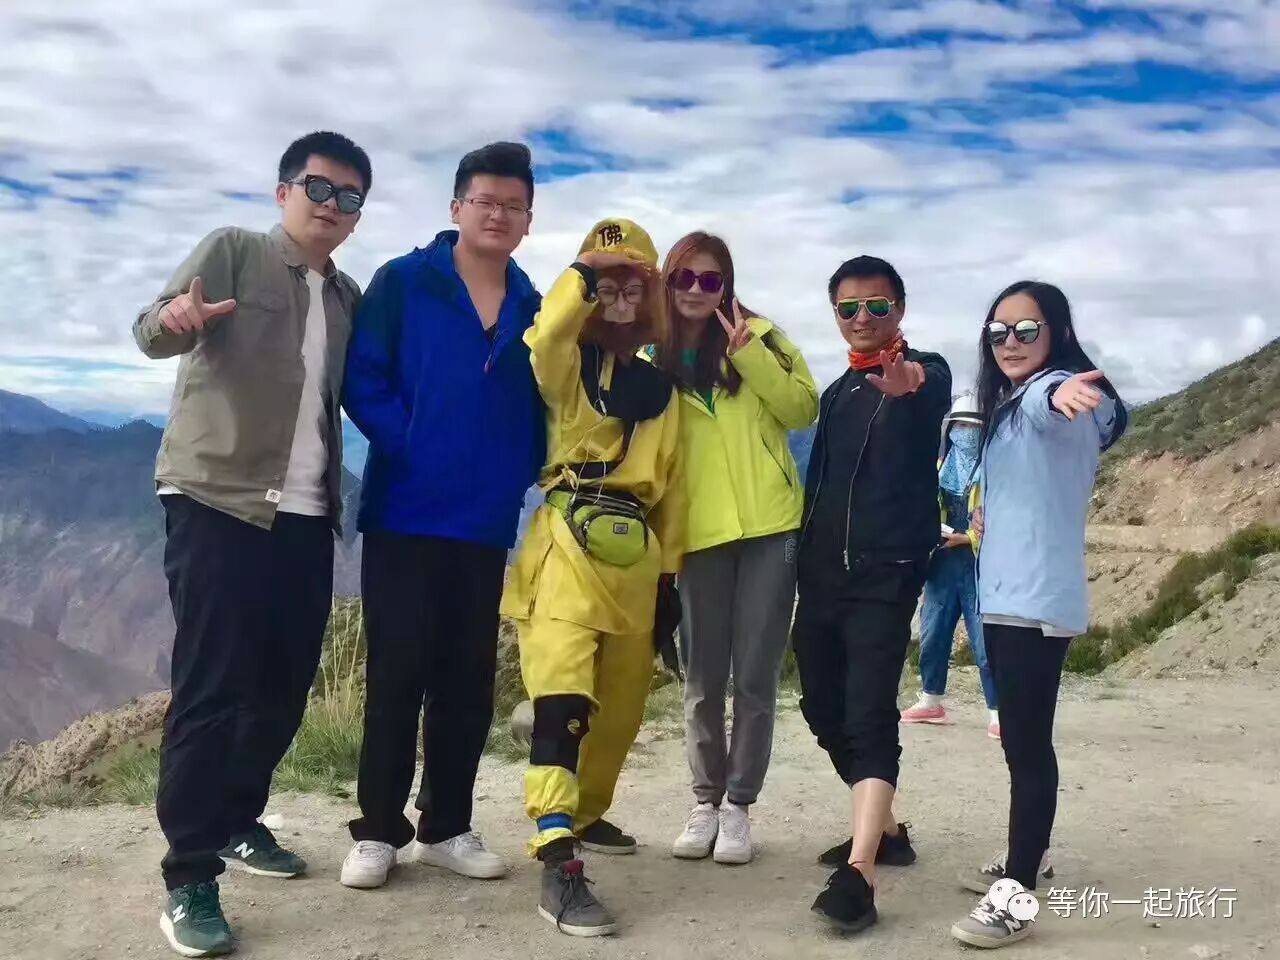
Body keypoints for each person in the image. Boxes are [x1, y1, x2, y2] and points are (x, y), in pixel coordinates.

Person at [133, 131, 371, 957]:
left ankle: (238, 820)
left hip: (305, 514)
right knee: (212, 688)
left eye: (349, 197)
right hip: (217, 499)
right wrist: (175, 318)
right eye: (318, 187)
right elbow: (151, 330)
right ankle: (189, 874)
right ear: (284, 192)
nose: (331, 206)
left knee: (285, 683)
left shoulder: (348, 298)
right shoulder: (233, 251)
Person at [338, 143, 545, 890]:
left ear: (528, 220)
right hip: (405, 511)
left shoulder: (531, 305)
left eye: (513, 205)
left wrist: (519, 470)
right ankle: (378, 831)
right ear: (457, 207)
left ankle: (447, 825)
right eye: (485, 201)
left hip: (484, 521)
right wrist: (412, 445)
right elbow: (362, 378)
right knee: (397, 674)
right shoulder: (404, 281)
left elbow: (543, 402)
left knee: (467, 681)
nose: (498, 214)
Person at [501, 218, 683, 937]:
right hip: (567, 549)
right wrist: (583, 271)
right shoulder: (565, 366)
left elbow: (673, 490)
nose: (619, 297)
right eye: (608, 284)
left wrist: (670, 579)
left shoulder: (662, 391)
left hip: (635, 556)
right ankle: (556, 852)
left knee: (622, 712)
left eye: (633, 285)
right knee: (564, 703)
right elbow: (546, 335)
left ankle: (582, 812)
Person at [950, 281, 1125, 949]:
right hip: (1010, 595)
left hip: (1031, 600)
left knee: (1027, 746)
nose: (1010, 343)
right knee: (1021, 740)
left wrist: (1060, 392)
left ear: (1057, 333)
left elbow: (1057, 402)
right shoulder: (1014, 404)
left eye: (1027, 330)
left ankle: (1016, 894)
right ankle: (1033, 850)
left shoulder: (1050, 394)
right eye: (998, 332)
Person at [793, 255, 951, 934]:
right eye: (849, 308)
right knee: (821, 706)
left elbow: (927, 391)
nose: (863, 318)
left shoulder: (926, 373)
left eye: (878, 306)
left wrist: (908, 381)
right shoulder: (836, 393)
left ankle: (860, 872)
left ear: (900, 310)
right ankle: (886, 830)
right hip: (822, 576)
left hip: (886, 574)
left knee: (866, 710)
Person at [649, 232, 817, 865]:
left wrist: (750, 356)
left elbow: (802, 410)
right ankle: (704, 801)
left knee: (754, 676)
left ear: (727, 285)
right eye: (684, 278)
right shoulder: (651, 355)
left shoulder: (764, 338)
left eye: (710, 279)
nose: (696, 290)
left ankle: (739, 806)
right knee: (701, 677)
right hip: (697, 535)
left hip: (771, 528)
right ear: (667, 281)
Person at [900, 393, 1000, 738]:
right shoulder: (940, 467)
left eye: (973, 427)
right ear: (950, 429)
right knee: (933, 632)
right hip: (941, 561)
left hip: (978, 564)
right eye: (960, 425)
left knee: (984, 639)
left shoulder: (994, 471)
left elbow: (1002, 519)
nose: (966, 433)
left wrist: (967, 538)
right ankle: (931, 700)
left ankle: (998, 711)